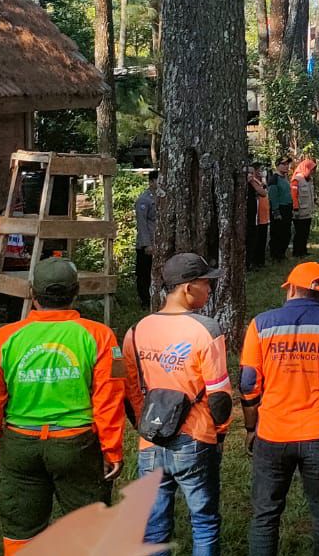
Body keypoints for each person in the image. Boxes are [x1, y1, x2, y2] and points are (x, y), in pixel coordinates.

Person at [0, 258, 126, 555]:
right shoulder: (100, 336)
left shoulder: (2, 339)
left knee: (21, 532)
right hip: (76, 446)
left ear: (32, 293)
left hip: (20, 446)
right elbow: (109, 399)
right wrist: (112, 450)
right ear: (76, 292)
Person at [240, 261, 319, 556]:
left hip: (272, 433)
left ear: (291, 288)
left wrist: (251, 427)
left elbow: (248, 383)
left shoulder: (260, 324)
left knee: (265, 515)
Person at [124, 253, 232, 556]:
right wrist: (219, 433)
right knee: (204, 521)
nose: (210, 289)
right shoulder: (206, 330)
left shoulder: (135, 331)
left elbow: (131, 393)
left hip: (150, 441)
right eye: (205, 283)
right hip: (195, 439)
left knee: (155, 526)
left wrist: (144, 431)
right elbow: (219, 396)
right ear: (187, 288)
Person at [135, 171, 157, 307]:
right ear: (151, 182)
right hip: (146, 244)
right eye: (157, 180)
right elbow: (142, 224)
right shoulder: (144, 200)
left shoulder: (162, 197)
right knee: (144, 274)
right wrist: (146, 244)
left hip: (158, 242)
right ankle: (145, 300)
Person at [267, 157, 295, 261]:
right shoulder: (274, 179)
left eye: (287, 164)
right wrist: (276, 211)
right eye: (284, 164)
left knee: (286, 232)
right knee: (278, 232)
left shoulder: (285, 178)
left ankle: (282, 253)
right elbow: (273, 196)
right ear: (278, 165)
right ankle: (275, 255)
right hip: (279, 209)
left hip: (287, 208)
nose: (287, 166)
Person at [291, 154, 317, 258]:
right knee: (299, 233)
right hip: (300, 211)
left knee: (305, 233)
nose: (312, 172)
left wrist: (315, 200)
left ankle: (304, 250)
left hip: (308, 211)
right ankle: (297, 252)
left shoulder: (309, 179)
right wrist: (296, 209)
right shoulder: (296, 179)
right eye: (311, 169)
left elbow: (310, 193)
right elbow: (294, 196)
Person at [247, 162, 271, 270]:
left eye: (252, 172)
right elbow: (261, 192)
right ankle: (250, 263)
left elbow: (263, 192)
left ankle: (257, 262)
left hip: (259, 216)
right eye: (249, 173)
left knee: (258, 240)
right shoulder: (249, 183)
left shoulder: (257, 182)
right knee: (251, 241)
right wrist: (251, 180)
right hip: (249, 218)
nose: (250, 175)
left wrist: (263, 180)